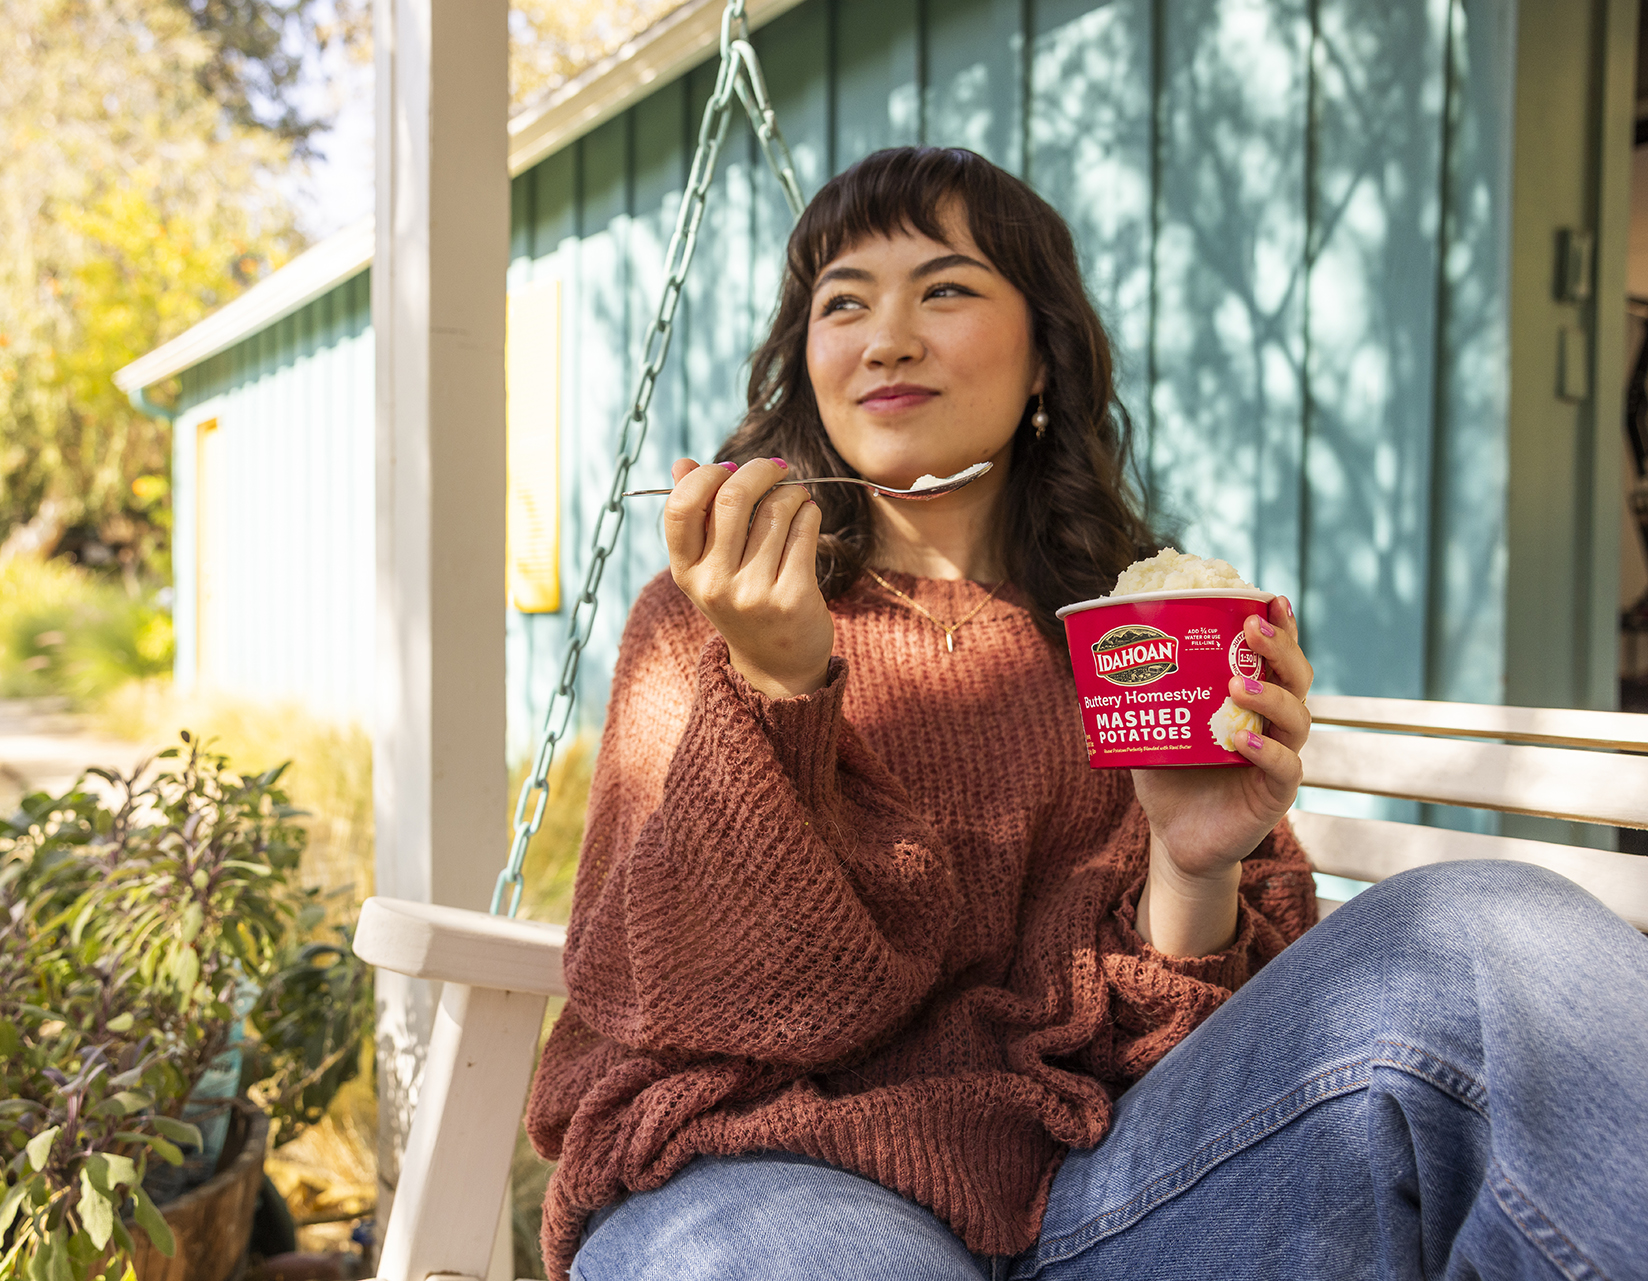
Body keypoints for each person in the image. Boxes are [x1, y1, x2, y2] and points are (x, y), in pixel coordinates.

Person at [524, 147, 1648, 1281]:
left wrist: (1193, 865)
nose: (886, 337)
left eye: (945, 288)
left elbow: (1232, 1075)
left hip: (1101, 1206)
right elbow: (696, 1005)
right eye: (843, 302)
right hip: (765, 1178)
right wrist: (777, 692)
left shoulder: (1135, 640)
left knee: (1488, 928)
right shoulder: (708, 618)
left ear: (1044, 361)